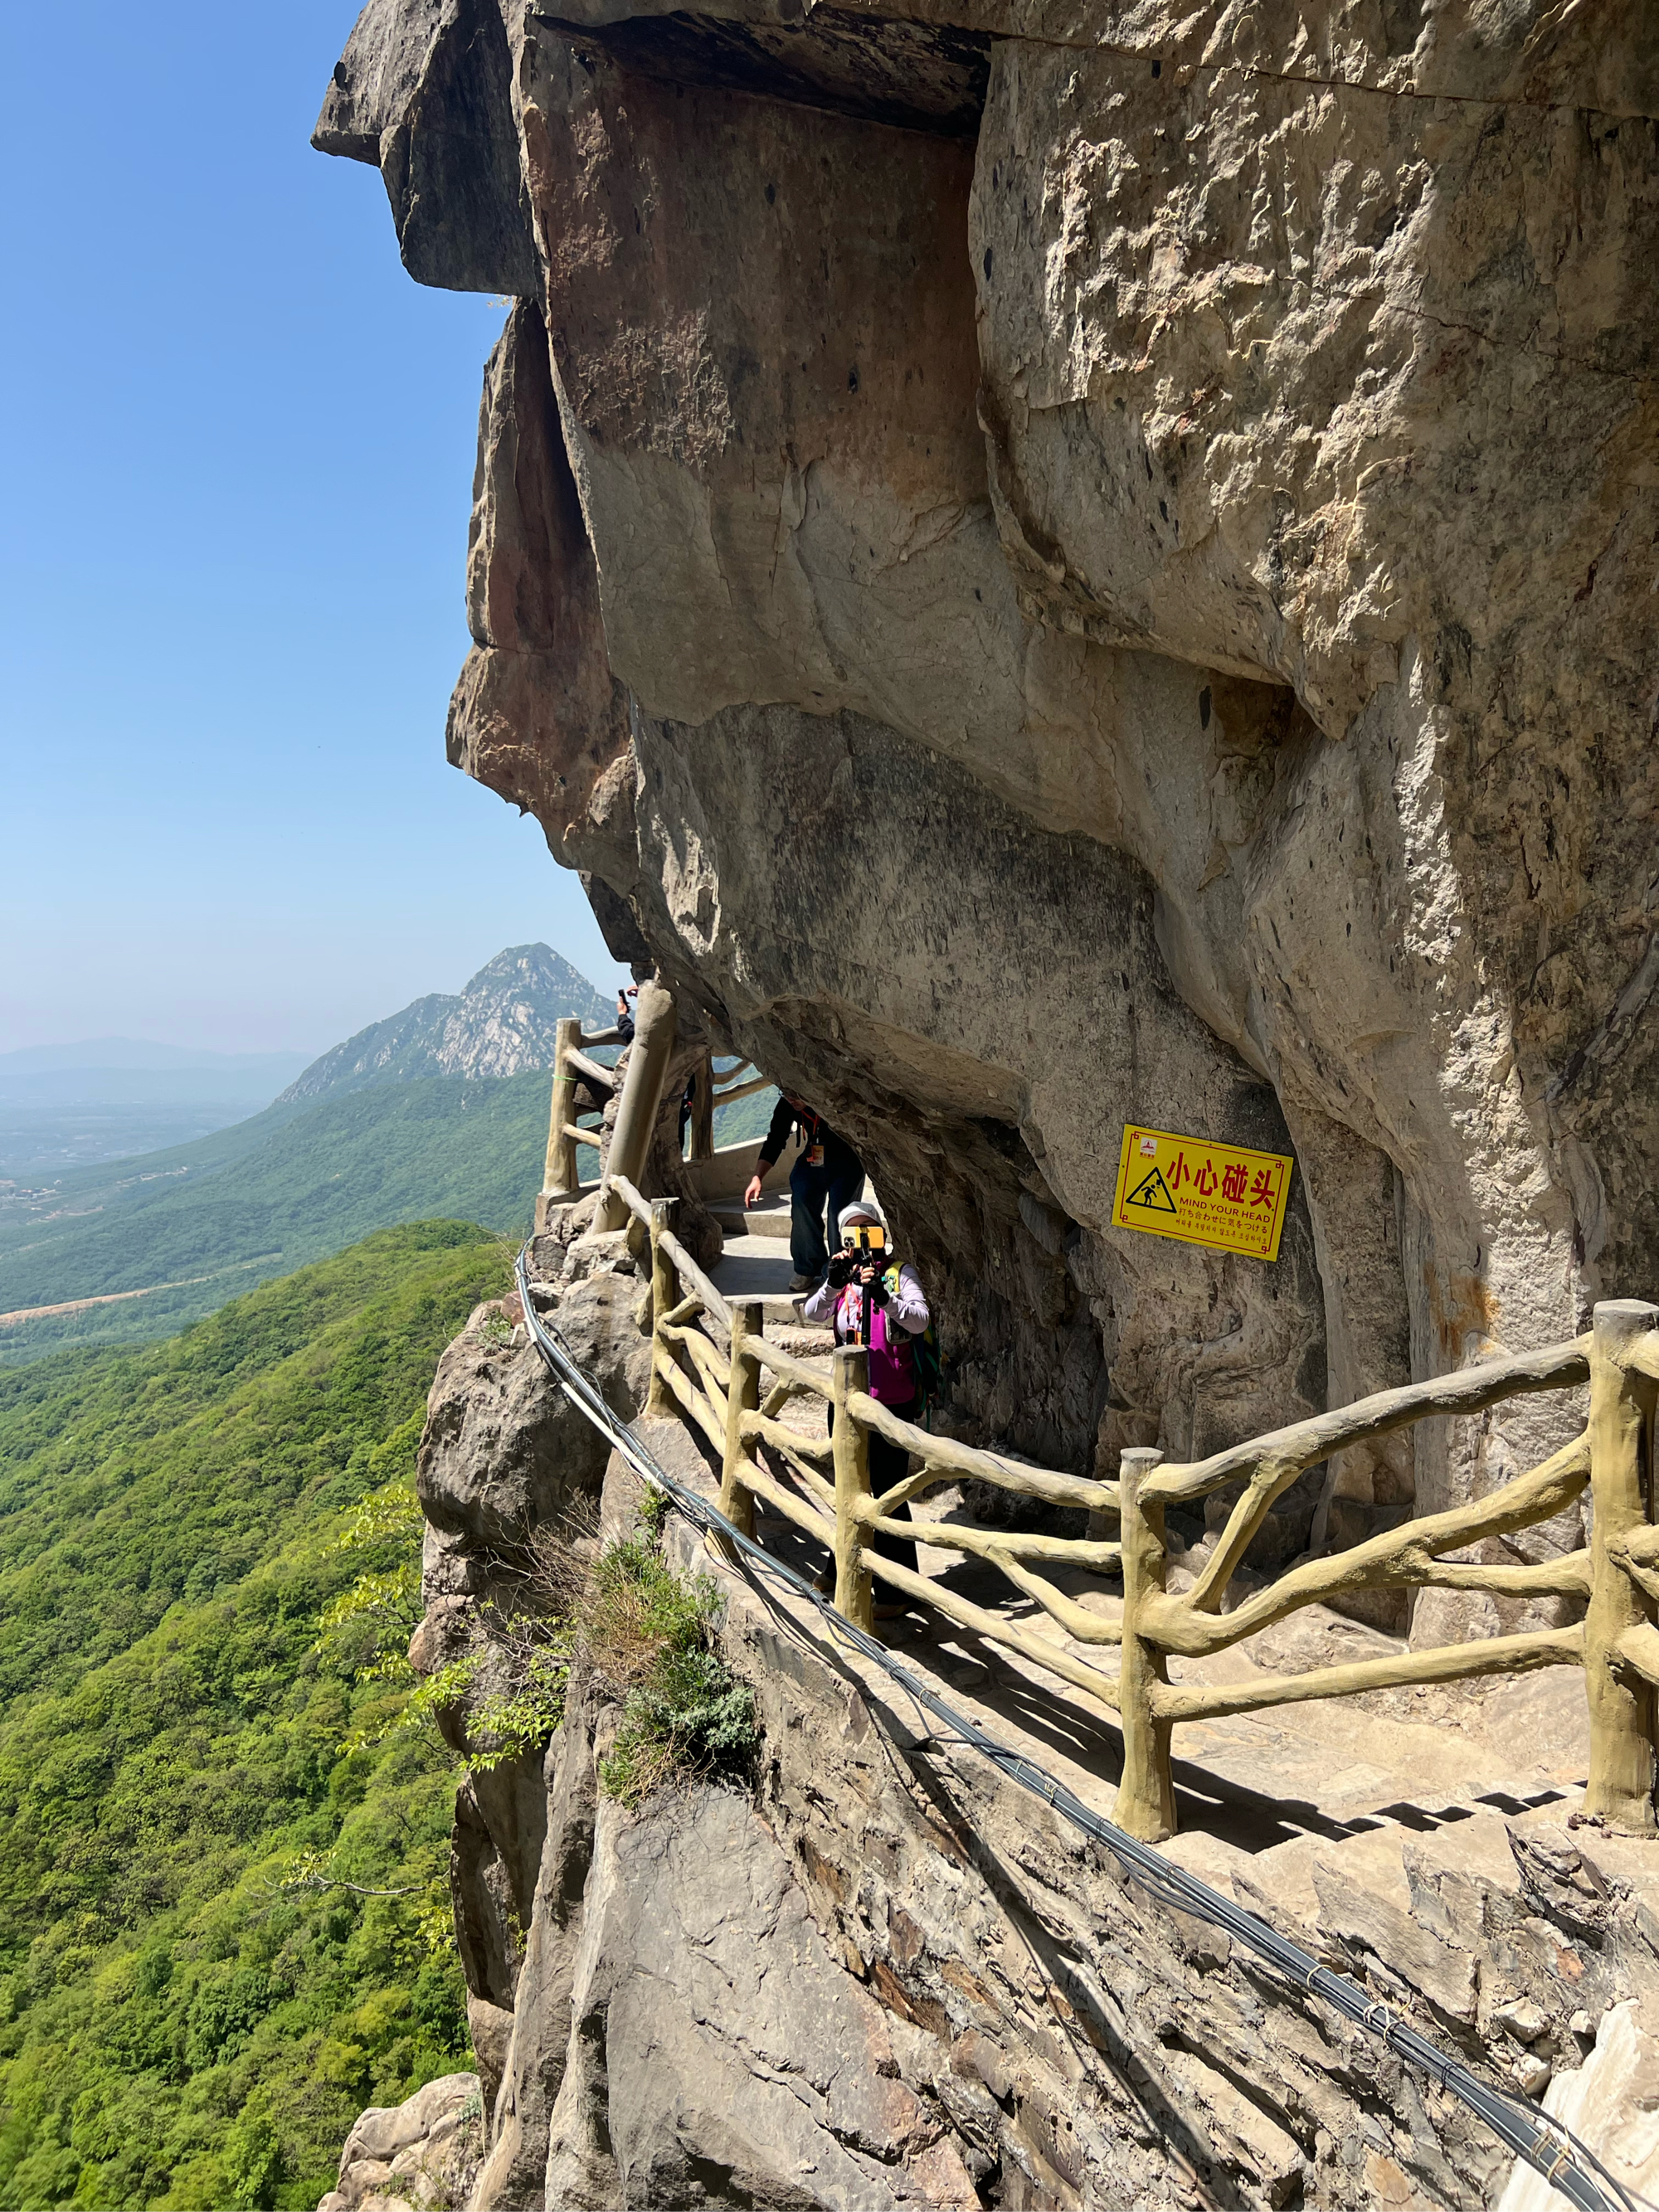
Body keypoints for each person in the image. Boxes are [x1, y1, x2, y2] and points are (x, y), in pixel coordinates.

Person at [804, 1201, 930, 1621]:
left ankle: (897, 1585)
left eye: (867, 1231)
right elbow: (811, 1313)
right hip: (845, 1399)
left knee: (889, 1490)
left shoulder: (899, 1273)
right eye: (851, 1233)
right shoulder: (842, 1278)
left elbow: (920, 1320)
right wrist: (831, 1284)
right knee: (848, 1485)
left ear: (880, 1231)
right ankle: (840, 1565)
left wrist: (885, 1297)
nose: (860, 1242)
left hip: (889, 1402)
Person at [745, 1096, 864, 1293]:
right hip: (815, 1156)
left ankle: (839, 1271)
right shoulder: (788, 1103)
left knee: (839, 1213)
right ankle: (807, 1268)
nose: (791, 1099)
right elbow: (776, 1138)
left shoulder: (833, 1099)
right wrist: (757, 1177)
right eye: (785, 1092)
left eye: (796, 1094)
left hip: (848, 1158)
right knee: (801, 1198)